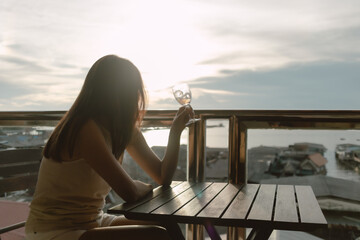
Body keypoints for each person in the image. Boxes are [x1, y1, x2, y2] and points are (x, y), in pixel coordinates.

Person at [25, 55, 193, 240]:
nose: (137, 97)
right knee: (156, 236)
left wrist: (175, 131)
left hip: (93, 220)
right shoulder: (85, 128)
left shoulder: (122, 128)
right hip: (54, 231)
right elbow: (130, 192)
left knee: (166, 224)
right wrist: (143, 186)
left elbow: (162, 176)